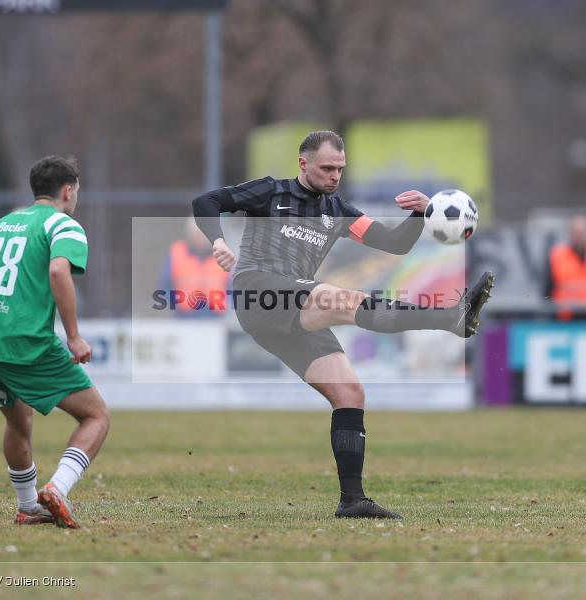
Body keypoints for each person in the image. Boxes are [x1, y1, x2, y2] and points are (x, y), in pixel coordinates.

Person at [192, 130, 494, 519]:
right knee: (343, 297)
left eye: (340, 169)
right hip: (259, 292)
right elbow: (206, 201)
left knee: (351, 394)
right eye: (327, 168)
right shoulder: (270, 191)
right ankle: (448, 318)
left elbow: (395, 243)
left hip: (293, 312)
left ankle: (352, 500)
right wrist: (217, 240)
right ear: (303, 164)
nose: (335, 175)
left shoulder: (337, 211)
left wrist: (420, 214)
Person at [0, 156, 110, 528]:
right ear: (68, 190)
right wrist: (73, 336)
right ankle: (57, 488)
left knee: (18, 420)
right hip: (25, 343)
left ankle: (27, 506)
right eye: (77, 191)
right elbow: (58, 270)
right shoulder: (62, 225)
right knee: (96, 415)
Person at [157, 217, 229, 317]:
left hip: (215, 316)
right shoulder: (176, 253)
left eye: (202, 235)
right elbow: (165, 283)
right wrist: (174, 305)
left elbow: (232, 284)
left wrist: (227, 304)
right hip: (184, 316)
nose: (199, 239)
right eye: (195, 235)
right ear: (189, 236)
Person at [544, 215, 586, 322]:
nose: (579, 236)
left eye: (582, 232)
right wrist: (551, 313)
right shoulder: (558, 255)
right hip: (565, 318)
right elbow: (547, 290)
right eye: (576, 232)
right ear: (569, 233)